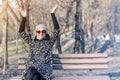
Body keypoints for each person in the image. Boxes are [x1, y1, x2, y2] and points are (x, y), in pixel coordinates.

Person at [19, 4, 59, 80]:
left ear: (45, 32)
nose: (41, 33)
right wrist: (24, 17)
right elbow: (21, 32)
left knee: (33, 76)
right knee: (33, 75)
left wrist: (52, 14)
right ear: (36, 32)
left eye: (43, 31)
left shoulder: (49, 42)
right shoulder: (31, 42)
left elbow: (56, 30)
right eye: (38, 31)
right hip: (32, 70)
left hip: (44, 72)